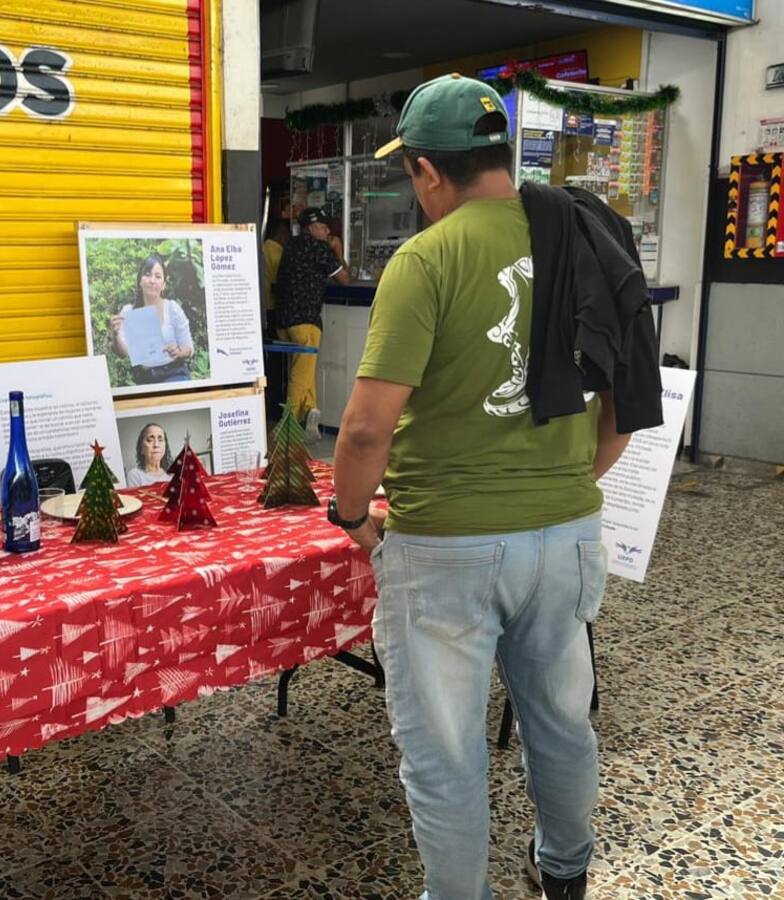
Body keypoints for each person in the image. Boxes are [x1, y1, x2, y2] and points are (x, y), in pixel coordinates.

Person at [329, 74, 638, 900]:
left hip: (446, 549)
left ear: (429, 171)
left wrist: (351, 514)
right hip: (565, 535)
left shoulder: (427, 258)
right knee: (561, 724)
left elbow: (364, 428)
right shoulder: (584, 237)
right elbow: (623, 403)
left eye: (410, 175)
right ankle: (564, 873)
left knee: (446, 751)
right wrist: (569, 486)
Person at [275, 206, 351, 440]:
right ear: (311, 228)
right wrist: (338, 251)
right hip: (306, 321)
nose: (327, 231)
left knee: (301, 369)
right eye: (323, 226)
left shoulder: (292, 246)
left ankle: (310, 418)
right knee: (301, 373)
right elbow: (345, 279)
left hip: (284, 320)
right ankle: (286, 428)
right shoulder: (319, 248)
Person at [110, 253, 194, 384]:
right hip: (144, 379)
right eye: (147, 275)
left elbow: (189, 349)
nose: (152, 280)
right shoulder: (129, 312)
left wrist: (178, 351)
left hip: (174, 374)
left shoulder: (172, 309)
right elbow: (124, 353)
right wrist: (115, 334)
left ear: (164, 284)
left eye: (158, 276)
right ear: (140, 281)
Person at [261, 218, 291, 333]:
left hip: (262, 302)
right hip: (273, 304)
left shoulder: (263, 247)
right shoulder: (279, 254)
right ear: (282, 234)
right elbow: (281, 281)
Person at [125, 422, 173, 487]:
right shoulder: (134, 475)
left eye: (160, 439)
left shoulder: (172, 475)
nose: (156, 445)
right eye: (150, 440)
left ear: (165, 447)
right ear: (141, 448)